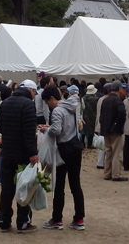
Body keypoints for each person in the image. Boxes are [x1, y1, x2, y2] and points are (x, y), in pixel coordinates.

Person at [40, 86, 85, 231]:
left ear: (52, 98)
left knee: (59, 185)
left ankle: (57, 218)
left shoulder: (57, 110)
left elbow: (57, 130)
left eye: (47, 102)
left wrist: (46, 129)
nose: (48, 105)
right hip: (75, 146)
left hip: (63, 150)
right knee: (75, 184)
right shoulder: (72, 106)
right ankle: (79, 218)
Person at [0, 80, 39, 233]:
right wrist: (33, 153)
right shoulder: (27, 105)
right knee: (24, 187)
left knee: (7, 189)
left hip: (7, 151)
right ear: (30, 90)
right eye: (34, 92)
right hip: (22, 154)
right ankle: (23, 222)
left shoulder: (5, 102)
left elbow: (0, 126)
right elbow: (28, 132)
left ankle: (4, 220)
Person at [100, 80, 128, 182]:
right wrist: (117, 126)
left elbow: (101, 116)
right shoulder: (118, 101)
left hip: (105, 130)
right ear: (119, 89)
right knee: (117, 153)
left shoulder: (105, 100)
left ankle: (107, 173)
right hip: (115, 131)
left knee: (108, 152)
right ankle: (116, 174)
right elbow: (122, 115)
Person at [94, 83, 111, 169]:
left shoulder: (100, 99)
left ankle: (100, 162)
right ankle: (102, 163)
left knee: (101, 144)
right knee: (105, 144)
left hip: (99, 123)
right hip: (104, 124)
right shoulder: (107, 100)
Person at [82, 84, 98, 149]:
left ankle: (83, 143)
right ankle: (90, 144)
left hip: (84, 115)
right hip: (93, 115)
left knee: (83, 130)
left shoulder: (83, 98)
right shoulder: (95, 99)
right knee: (91, 130)